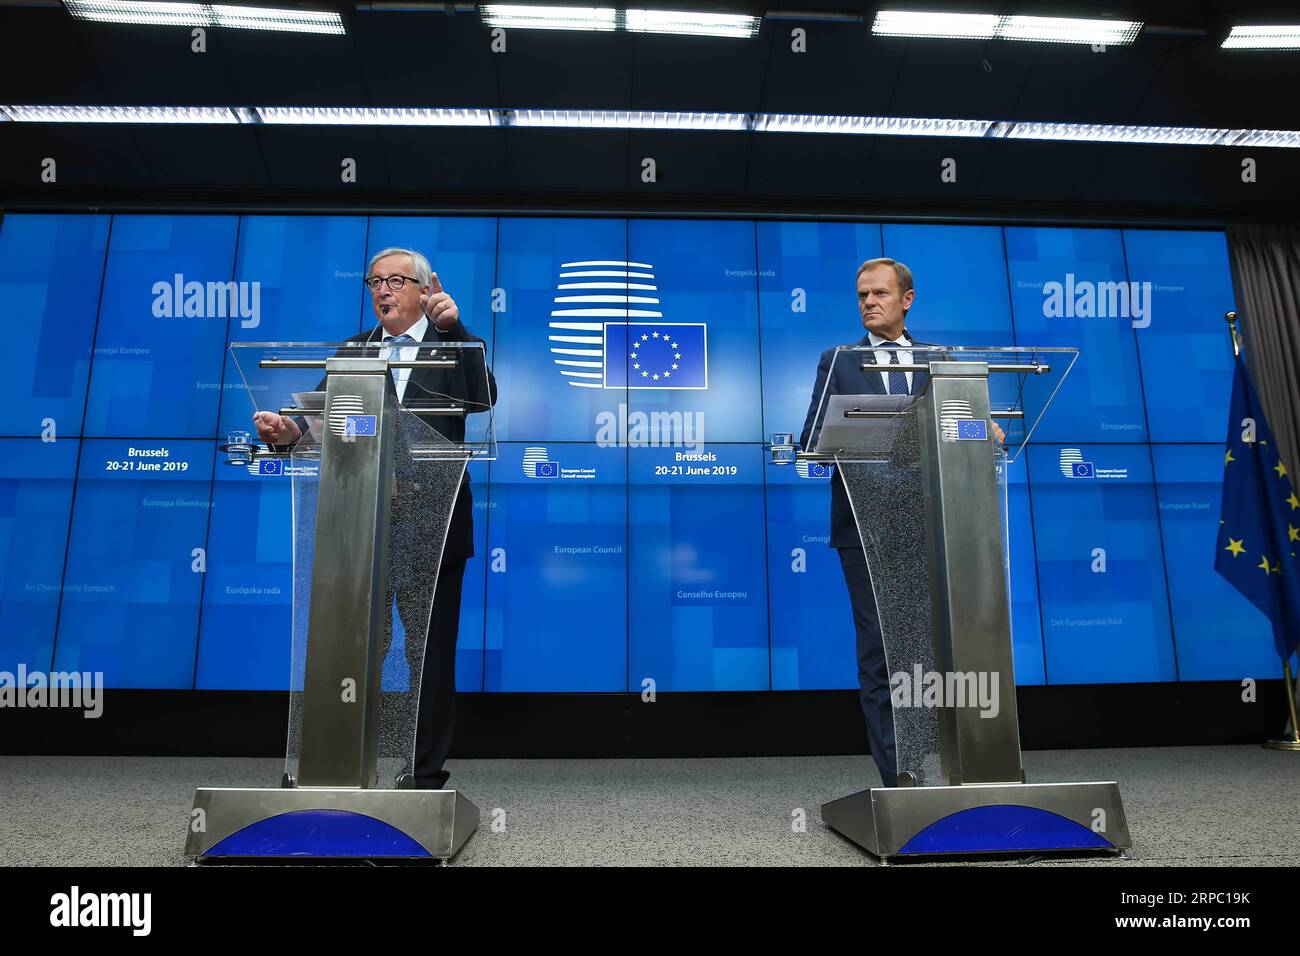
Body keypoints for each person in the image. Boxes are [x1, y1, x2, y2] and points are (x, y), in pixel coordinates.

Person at [253, 247, 497, 790]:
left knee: (427, 659)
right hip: (361, 526)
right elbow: (321, 419)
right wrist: (290, 432)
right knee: (357, 647)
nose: (383, 290)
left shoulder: (454, 344)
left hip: (434, 528)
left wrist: (456, 331)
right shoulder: (355, 350)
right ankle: (342, 764)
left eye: (395, 280)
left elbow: (483, 399)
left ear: (424, 288)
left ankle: (422, 776)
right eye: (375, 281)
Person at [799, 257, 1001, 788]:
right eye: (862, 294)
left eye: (880, 293)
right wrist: (890, 428)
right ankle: (899, 779)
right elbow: (812, 443)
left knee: (926, 648)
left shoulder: (938, 358)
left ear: (906, 299)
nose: (869, 302)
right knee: (880, 650)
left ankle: (938, 764)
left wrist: (985, 428)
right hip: (864, 534)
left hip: (935, 525)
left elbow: (962, 423)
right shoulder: (838, 360)